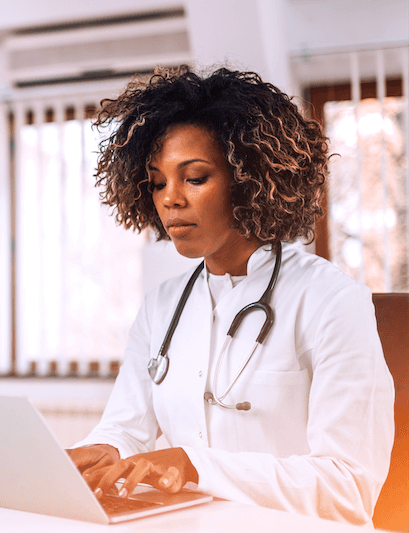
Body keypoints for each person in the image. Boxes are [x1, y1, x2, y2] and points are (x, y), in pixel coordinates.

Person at [67, 67, 394, 525]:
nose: (170, 200)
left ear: (250, 179)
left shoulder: (331, 301)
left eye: (195, 178)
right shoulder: (162, 306)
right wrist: (102, 450)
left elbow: (348, 488)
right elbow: (126, 429)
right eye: (158, 182)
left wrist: (196, 465)